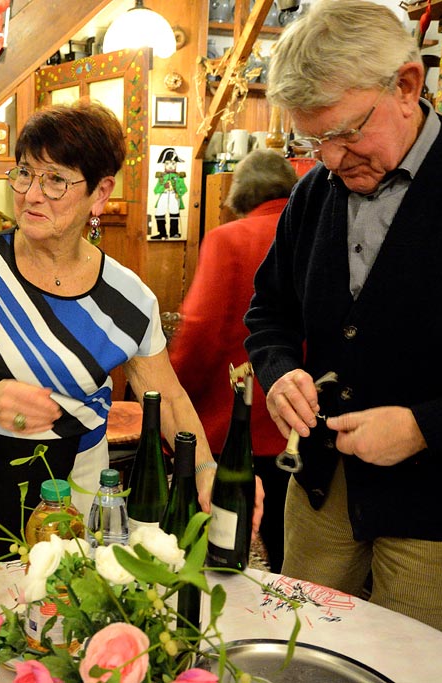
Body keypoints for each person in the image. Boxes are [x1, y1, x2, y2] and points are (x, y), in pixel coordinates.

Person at [243, 0, 442, 647]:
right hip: (319, 490)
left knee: (416, 665)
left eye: (347, 131)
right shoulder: (314, 194)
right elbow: (269, 311)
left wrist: (425, 427)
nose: (333, 158)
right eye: (313, 141)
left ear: (406, 84)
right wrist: (281, 370)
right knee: (295, 651)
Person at [0, 101, 233, 571]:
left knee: (65, 606)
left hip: (76, 486)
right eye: (25, 173)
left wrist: (205, 467)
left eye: (56, 179)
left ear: (99, 195)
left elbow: (171, 400)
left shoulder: (127, 298)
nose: (31, 195)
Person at [170, 149, 297, 573]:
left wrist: (174, 398)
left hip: (236, 419)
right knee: (289, 541)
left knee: (223, 543)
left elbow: (200, 332)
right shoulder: (312, 231)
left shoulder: (230, 239)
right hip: (300, 418)